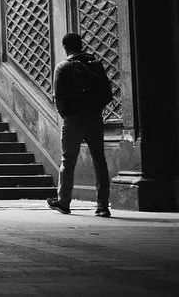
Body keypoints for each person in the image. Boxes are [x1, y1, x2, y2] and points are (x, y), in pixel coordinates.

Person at [46, 32, 112, 217]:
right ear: (81, 45)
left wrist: (67, 114)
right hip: (95, 118)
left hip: (73, 119)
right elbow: (108, 93)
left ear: (65, 47)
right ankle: (102, 206)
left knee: (68, 160)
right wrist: (95, 110)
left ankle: (64, 202)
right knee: (100, 161)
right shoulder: (95, 65)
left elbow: (59, 97)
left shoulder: (63, 67)